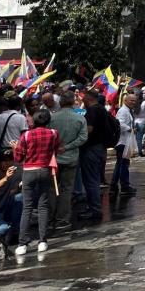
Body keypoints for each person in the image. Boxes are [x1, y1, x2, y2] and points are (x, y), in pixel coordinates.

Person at [12, 109, 60, 255]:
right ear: (48, 120)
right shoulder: (53, 133)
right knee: (43, 206)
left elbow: (19, 158)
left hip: (29, 172)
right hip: (45, 171)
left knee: (27, 207)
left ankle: (22, 244)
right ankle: (42, 241)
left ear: (33, 120)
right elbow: (56, 150)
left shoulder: (26, 135)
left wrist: (15, 148)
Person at [48, 91, 86, 231]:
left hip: (53, 159)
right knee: (66, 189)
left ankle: (50, 217)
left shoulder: (52, 118)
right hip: (70, 158)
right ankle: (62, 219)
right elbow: (83, 138)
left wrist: (58, 147)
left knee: (52, 189)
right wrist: (67, 147)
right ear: (72, 102)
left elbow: (47, 137)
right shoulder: (80, 118)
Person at [78, 90, 109, 220]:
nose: (82, 102)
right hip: (100, 148)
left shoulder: (92, 111)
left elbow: (88, 130)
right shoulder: (102, 110)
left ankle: (94, 209)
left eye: (84, 99)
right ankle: (93, 206)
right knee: (94, 179)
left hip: (91, 149)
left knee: (91, 180)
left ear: (89, 99)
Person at [110, 94, 137, 195]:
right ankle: (121, 185)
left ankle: (119, 185)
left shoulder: (128, 110)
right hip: (122, 141)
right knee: (122, 164)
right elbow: (119, 123)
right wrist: (130, 129)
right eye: (131, 100)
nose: (133, 102)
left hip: (126, 141)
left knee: (123, 163)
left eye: (135, 101)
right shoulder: (123, 111)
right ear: (125, 101)